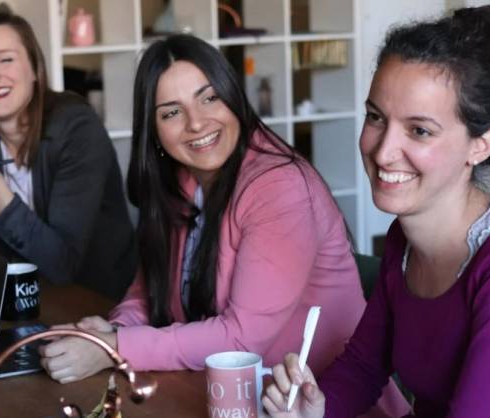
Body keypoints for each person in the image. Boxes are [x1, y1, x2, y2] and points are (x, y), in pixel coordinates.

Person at [39, 34, 409, 417]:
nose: (197, 122)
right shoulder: (180, 180)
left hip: (324, 404)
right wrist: (111, 330)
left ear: (233, 98)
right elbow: (148, 291)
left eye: (209, 97)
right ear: (155, 131)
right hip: (234, 400)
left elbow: (242, 339)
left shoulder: (278, 186)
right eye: (171, 112)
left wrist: (115, 348)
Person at [262, 5, 490, 418]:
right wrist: (313, 409)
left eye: (419, 130)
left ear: (482, 145)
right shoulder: (404, 239)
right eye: (376, 117)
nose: (383, 151)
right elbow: (364, 367)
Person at [0, 11, 137, 299]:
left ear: (35, 69)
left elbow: (62, 265)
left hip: (97, 300)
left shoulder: (77, 128)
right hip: (28, 297)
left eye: (6, 59)